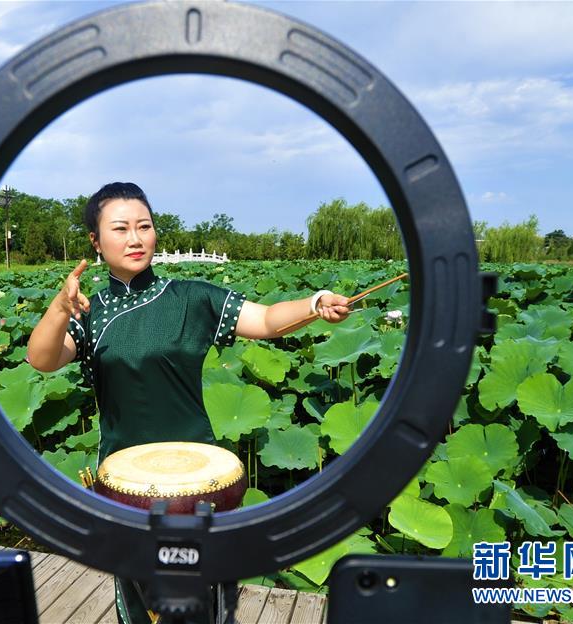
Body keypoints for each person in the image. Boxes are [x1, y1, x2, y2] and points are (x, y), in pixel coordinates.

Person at [27, 182, 350, 624]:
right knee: (141, 604)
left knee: (201, 602)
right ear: (95, 242)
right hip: (126, 480)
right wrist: (60, 308)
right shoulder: (92, 312)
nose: (136, 238)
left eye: (144, 226)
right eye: (120, 228)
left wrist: (315, 302)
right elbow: (42, 359)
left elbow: (266, 321)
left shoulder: (192, 298)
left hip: (199, 477)